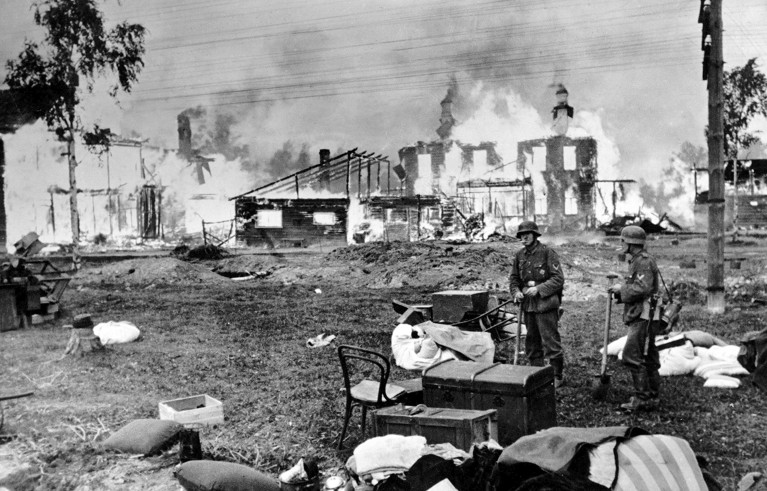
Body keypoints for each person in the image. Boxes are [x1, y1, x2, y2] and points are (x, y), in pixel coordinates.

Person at [608, 225, 661, 412]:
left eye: (622, 240)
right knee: (648, 354)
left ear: (631, 243)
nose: (621, 243)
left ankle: (643, 398)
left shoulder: (643, 262)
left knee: (632, 355)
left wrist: (620, 290)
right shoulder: (637, 260)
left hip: (644, 315)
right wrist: (622, 291)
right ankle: (652, 394)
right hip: (644, 313)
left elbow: (643, 288)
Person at [509, 221, 566, 387]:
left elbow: (558, 279)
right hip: (528, 305)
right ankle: (537, 373)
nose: (524, 237)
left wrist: (540, 289)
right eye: (521, 235)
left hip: (546, 304)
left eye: (527, 234)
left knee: (550, 342)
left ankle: (557, 376)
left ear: (535, 235)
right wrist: (516, 292)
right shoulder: (519, 255)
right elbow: (514, 279)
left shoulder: (547, 253)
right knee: (532, 342)